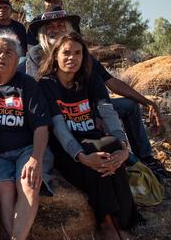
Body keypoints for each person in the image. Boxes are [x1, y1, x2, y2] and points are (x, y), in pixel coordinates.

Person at [26, 7, 171, 181]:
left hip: (85, 110)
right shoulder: (36, 54)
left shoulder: (80, 52)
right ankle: (127, 162)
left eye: (61, 24)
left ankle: (146, 159)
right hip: (56, 113)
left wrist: (147, 102)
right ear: (43, 32)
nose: (56, 28)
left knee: (129, 106)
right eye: (50, 26)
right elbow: (35, 93)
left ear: (69, 29)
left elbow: (111, 82)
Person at [38, 32, 140, 240]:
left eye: (78, 53)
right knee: (95, 158)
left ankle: (122, 221)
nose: (72, 58)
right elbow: (58, 126)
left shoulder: (91, 78)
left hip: (91, 135)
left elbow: (107, 110)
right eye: (66, 53)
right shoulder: (46, 84)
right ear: (55, 55)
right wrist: (81, 156)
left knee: (110, 148)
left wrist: (123, 146)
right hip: (66, 147)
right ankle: (107, 223)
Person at [0, 30, 52, 240]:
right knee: (4, 190)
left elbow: (41, 127)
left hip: (26, 149)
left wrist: (36, 158)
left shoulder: (27, 84)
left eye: (8, 53)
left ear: (18, 58)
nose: (2, 56)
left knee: (28, 183)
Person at [0, 0, 27, 71]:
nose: (2, 9)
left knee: (23, 60)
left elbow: (23, 48)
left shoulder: (19, 27)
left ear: (11, 11)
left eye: (5, 7)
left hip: (14, 58)